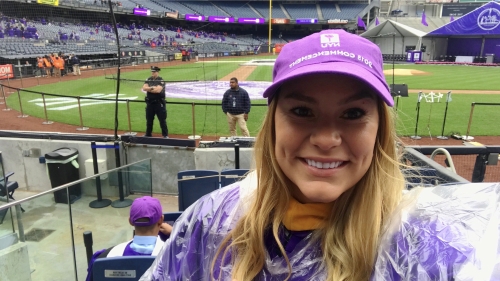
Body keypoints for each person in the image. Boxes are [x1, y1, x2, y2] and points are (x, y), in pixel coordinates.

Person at [140, 30, 500, 281]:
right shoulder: (209, 223)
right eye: (301, 111)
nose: (326, 139)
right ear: (274, 124)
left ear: (379, 130)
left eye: (354, 114)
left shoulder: (435, 249)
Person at [85, 196, 172, 281]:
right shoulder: (173, 258)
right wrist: (174, 232)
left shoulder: (104, 258)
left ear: (130, 221)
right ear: (161, 220)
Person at [142, 66, 168, 138]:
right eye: (152, 71)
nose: (152, 73)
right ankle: (148, 134)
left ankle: (165, 135)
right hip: (150, 103)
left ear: (157, 72)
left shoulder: (160, 80)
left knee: (162, 120)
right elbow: (144, 88)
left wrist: (149, 89)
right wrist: (152, 88)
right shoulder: (148, 79)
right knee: (149, 120)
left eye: (154, 72)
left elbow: (158, 90)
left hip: (159, 103)